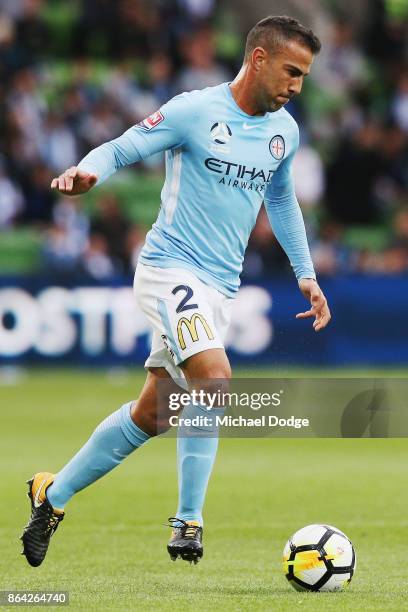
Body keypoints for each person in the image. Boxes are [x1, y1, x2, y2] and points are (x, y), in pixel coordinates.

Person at [21, 15, 330, 568]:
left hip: (220, 288)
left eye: (303, 77)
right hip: (170, 269)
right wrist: (87, 172)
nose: (296, 87)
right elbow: (120, 148)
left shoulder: (286, 131)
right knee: (214, 379)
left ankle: (53, 496)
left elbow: (281, 200)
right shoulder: (193, 111)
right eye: (291, 72)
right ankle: (189, 521)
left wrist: (304, 272)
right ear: (258, 59)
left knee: (154, 412)